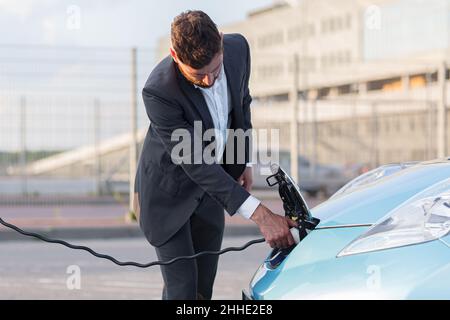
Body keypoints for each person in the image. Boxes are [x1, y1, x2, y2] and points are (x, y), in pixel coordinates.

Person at [133, 10, 297, 300]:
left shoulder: (237, 49)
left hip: (211, 188)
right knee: (182, 290)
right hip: (168, 195)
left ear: (221, 40)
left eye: (215, 70)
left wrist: (241, 159)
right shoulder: (158, 92)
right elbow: (195, 162)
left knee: (202, 289)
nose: (209, 81)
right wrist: (261, 214)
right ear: (174, 54)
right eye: (198, 75)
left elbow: (241, 104)